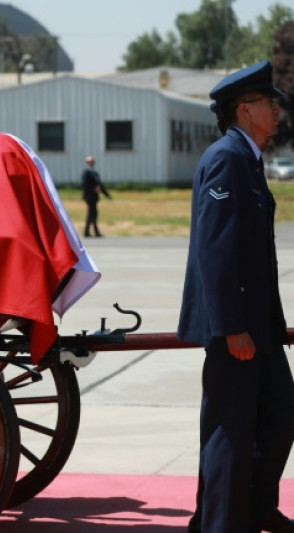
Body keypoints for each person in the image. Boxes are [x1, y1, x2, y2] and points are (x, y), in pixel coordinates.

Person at [179, 60, 294, 533]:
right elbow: (216, 249)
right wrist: (232, 327)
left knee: (279, 413)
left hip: (256, 324)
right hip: (237, 327)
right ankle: (223, 524)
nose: (277, 111)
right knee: (231, 428)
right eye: (269, 103)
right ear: (245, 110)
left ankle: (251, 505)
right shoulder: (227, 158)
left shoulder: (246, 157)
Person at [80, 155, 111, 237]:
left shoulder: (95, 173)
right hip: (89, 196)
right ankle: (88, 231)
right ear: (87, 163)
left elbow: (100, 185)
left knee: (94, 214)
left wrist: (107, 195)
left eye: (93, 162)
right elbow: (84, 185)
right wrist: (93, 189)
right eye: (90, 162)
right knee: (91, 213)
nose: (92, 163)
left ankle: (93, 231)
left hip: (94, 197)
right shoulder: (86, 173)